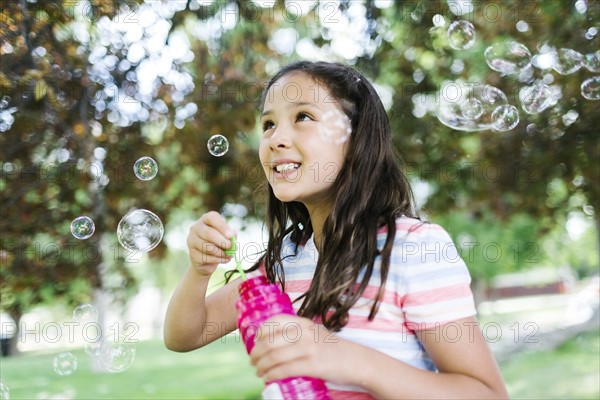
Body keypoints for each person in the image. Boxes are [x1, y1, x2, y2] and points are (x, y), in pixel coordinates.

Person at [164, 61, 508, 399]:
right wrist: (199, 271)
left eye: (303, 117)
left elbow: (486, 393)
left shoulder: (412, 248)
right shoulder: (284, 262)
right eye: (268, 124)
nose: (276, 138)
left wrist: (348, 359)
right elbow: (184, 336)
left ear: (354, 138)